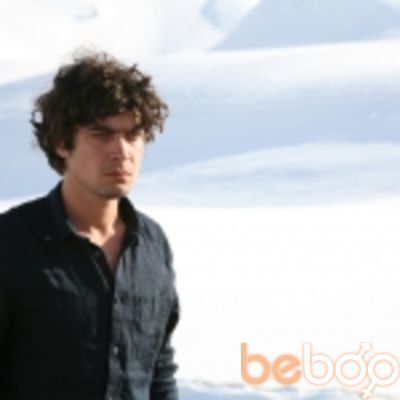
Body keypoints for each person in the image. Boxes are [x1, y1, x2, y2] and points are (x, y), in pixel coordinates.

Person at [0, 51, 180, 400]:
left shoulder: (152, 244)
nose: (121, 151)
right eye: (101, 134)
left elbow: (158, 371)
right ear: (61, 143)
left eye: (133, 134)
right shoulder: (10, 243)